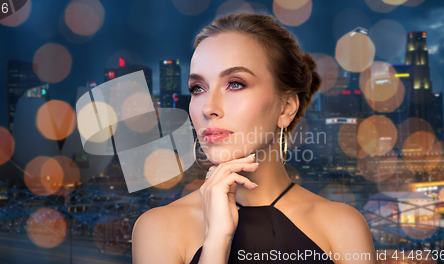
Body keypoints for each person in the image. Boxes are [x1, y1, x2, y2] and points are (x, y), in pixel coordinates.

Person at [132, 12, 376, 264]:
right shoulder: (158, 228)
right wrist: (216, 241)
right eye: (198, 88)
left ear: (286, 108)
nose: (208, 107)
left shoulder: (343, 226)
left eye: (235, 84)